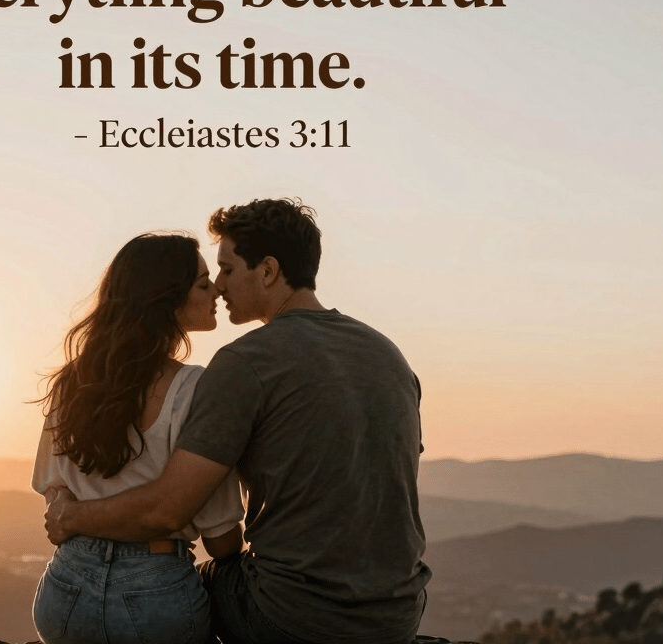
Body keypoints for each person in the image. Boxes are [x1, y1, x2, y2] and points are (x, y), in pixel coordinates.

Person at [47, 198, 432, 644]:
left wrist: (72, 516)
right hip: (397, 616)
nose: (219, 285)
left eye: (227, 269)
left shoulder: (246, 362)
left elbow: (167, 510)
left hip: (292, 619)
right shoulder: (388, 355)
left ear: (267, 270)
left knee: (175, 584)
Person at [31, 233, 244, 644]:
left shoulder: (73, 382)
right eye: (203, 284)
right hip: (155, 593)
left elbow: (54, 496)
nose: (217, 290)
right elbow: (221, 539)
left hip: (66, 587)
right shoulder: (195, 389)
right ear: (168, 301)